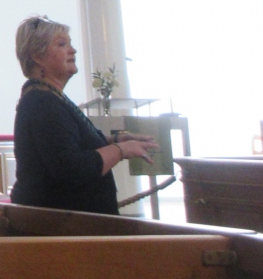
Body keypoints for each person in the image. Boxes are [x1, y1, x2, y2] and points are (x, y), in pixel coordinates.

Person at [10, 16, 156, 214]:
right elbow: (72, 170)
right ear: (37, 56)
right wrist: (121, 150)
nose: (73, 50)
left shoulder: (50, 97)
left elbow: (71, 144)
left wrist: (117, 139)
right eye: (62, 44)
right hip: (60, 225)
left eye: (70, 43)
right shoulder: (42, 103)